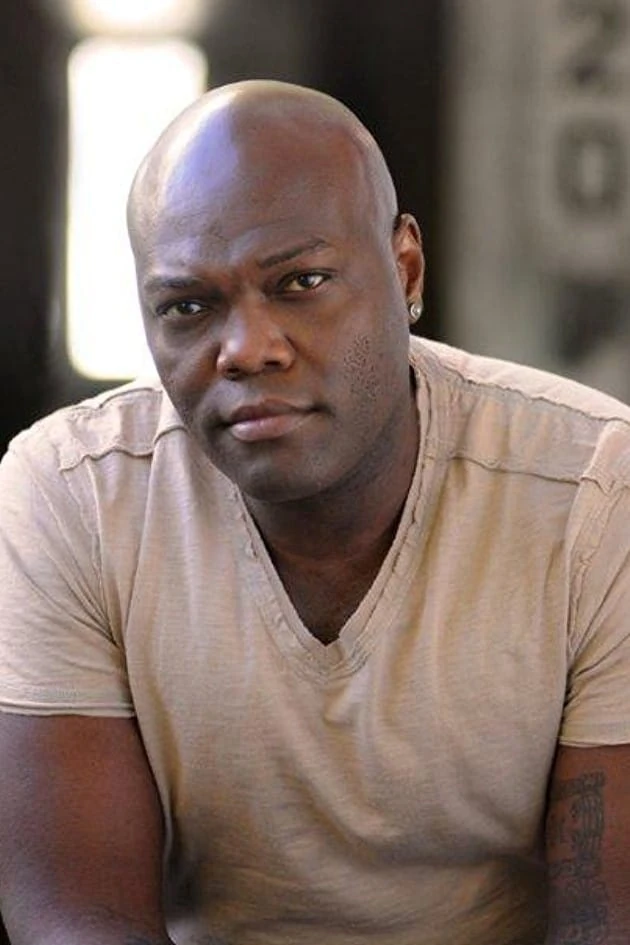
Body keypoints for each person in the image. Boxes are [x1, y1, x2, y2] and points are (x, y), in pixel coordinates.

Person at [0, 79, 630, 945]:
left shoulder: (591, 488)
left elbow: (606, 921)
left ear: (405, 271)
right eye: (187, 307)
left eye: (301, 281)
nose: (247, 348)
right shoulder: (75, 492)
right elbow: (75, 916)